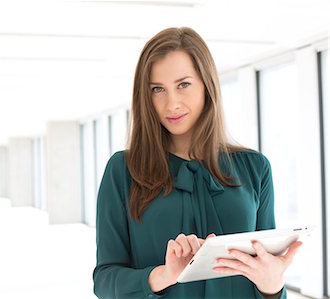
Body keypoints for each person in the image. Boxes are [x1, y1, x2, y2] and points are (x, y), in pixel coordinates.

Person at [92, 27, 302, 299]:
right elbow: (105, 281)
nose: (172, 104)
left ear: (206, 84)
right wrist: (163, 275)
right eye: (158, 89)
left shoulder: (255, 168)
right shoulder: (122, 170)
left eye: (183, 84)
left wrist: (273, 285)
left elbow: (265, 274)